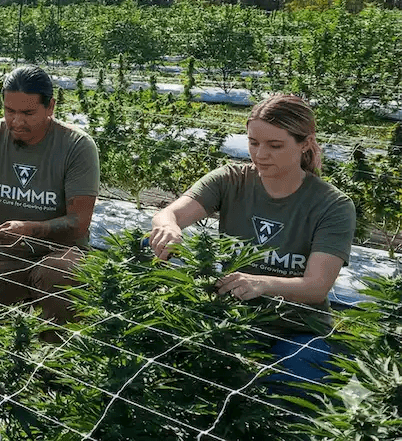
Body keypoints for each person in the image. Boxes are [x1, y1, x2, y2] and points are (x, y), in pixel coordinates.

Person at [148, 94, 353, 390]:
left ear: (305, 143)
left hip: (296, 328)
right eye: (253, 142)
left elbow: (316, 286)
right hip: (232, 318)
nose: (260, 155)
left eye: (275, 145)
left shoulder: (331, 205)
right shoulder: (230, 180)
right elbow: (169, 214)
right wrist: (168, 226)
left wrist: (262, 283)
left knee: (293, 382)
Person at [0, 65, 100, 324]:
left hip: (61, 250)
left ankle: (52, 355)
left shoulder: (77, 146)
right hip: (5, 251)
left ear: (50, 107)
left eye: (28, 113)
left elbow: (78, 223)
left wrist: (29, 228)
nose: (17, 121)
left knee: (57, 275)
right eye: (10, 111)